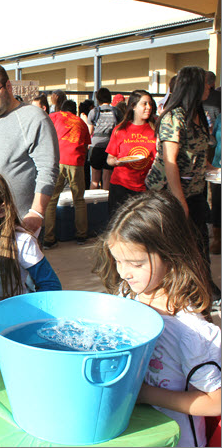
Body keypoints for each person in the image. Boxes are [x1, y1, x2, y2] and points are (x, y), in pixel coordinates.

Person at [93, 190, 220, 448]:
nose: (125, 273)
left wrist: (145, 394)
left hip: (178, 439)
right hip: (134, 431)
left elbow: (214, 402)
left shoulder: (190, 330)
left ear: (171, 256)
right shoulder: (128, 294)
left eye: (137, 263)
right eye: (118, 261)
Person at [0, 63, 59, 234]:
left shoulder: (34, 119)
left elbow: (47, 169)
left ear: (8, 86)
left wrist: (36, 212)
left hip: (21, 225)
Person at [0, 171, 61, 311]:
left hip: (12, 320)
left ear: (1, 210)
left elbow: (51, 286)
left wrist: (25, 311)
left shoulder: (22, 242)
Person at [145, 66, 213, 263]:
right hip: (170, 193)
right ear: (194, 87)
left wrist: (214, 170)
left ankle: (203, 286)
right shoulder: (174, 118)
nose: (209, 87)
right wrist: (180, 201)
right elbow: (170, 161)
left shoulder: (198, 115)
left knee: (199, 245)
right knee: (174, 248)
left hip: (195, 191)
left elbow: (199, 154)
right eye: (205, 83)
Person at [43, 99, 91, 248]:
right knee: (79, 200)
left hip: (57, 160)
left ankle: (49, 239)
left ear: (62, 108)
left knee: (52, 200)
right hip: (76, 162)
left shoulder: (55, 116)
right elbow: (86, 144)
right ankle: (81, 236)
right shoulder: (81, 123)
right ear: (74, 110)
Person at [105, 90, 157, 215]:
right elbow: (109, 159)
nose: (148, 107)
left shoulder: (155, 130)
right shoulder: (120, 130)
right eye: (144, 104)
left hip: (146, 188)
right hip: (120, 187)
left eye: (150, 104)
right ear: (133, 106)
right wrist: (116, 162)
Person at [88, 87, 123, 190]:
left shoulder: (94, 112)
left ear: (98, 99)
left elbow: (90, 132)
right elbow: (120, 129)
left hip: (96, 146)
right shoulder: (116, 111)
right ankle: (105, 202)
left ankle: (92, 203)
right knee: (107, 178)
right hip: (110, 147)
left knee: (94, 180)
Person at [210, 114, 221, 255]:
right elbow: (213, 140)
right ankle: (218, 239)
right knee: (217, 204)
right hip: (217, 168)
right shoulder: (220, 118)